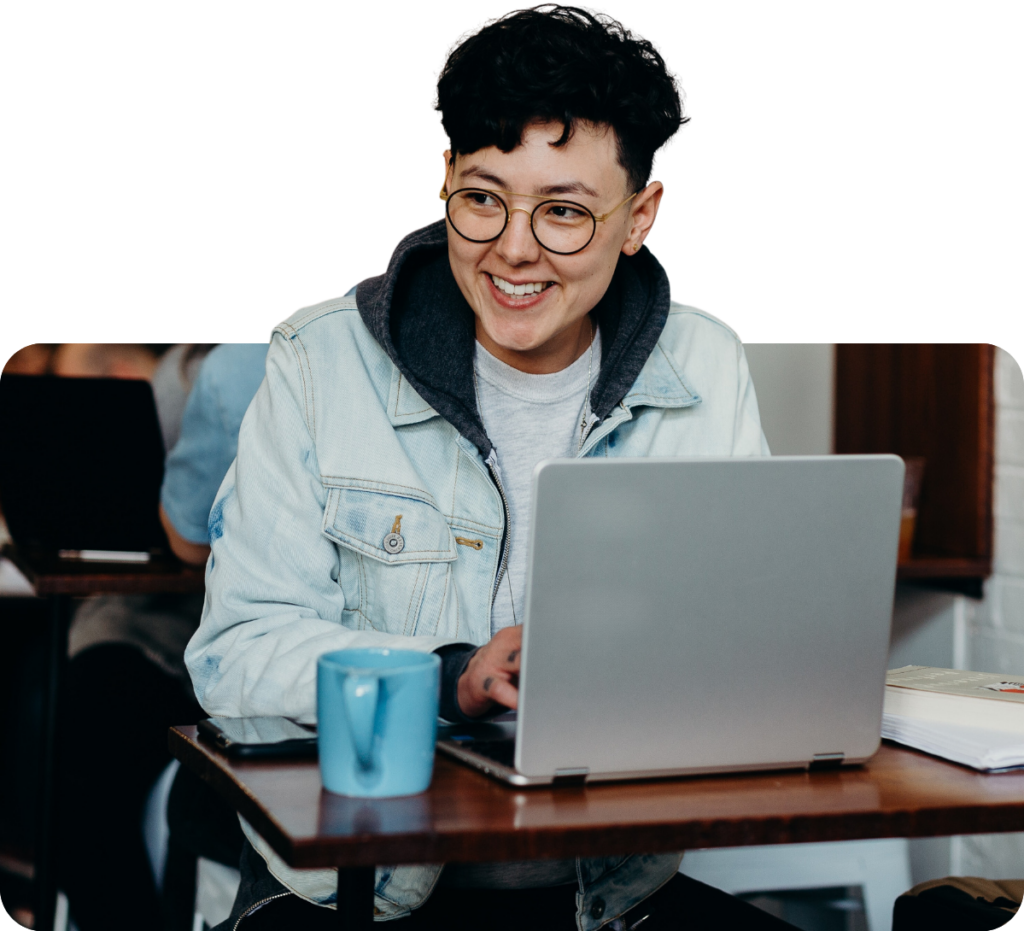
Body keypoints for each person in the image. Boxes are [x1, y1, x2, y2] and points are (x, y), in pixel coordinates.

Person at [185, 7, 789, 930]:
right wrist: (445, 676)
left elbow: (745, 643)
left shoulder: (706, 367)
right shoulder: (319, 360)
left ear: (642, 219)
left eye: (564, 213)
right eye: (483, 197)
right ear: (444, 183)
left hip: (606, 895)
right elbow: (236, 656)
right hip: (359, 895)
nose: (512, 247)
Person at [52, 342, 212, 931]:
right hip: (146, 635)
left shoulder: (198, 379)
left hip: (165, 641)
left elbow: (191, 539)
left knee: (77, 736)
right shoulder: (198, 373)